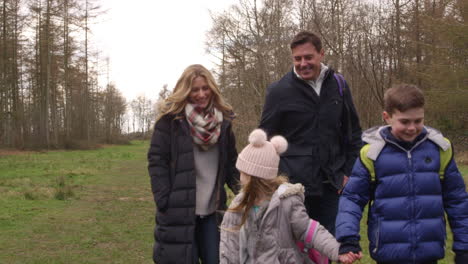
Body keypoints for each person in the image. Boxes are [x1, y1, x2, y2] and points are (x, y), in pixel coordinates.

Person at [335, 84, 468, 264]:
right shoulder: (372, 154)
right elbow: (352, 198)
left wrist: (464, 246)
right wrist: (348, 238)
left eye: (418, 121)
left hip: (429, 254)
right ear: (387, 117)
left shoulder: (440, 150)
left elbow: (457, 200)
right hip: (387, 254)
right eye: (404, 122)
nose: (412, 128)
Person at [259, 31, 362, 236]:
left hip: (333, 187)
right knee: (297, 250)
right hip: (295, 190)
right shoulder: (279, 91)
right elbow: (264, 140)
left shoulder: (339, 85)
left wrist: (349, 173)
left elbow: (353, 133)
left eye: (308, 57)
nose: (303, 63)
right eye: (298, 58)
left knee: (329, 248)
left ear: (321, 54)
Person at [219, 128, 362, 264]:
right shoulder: (237, 208)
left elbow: (311, 231)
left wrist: (337, 250)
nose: (240, 176)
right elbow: (229, 248)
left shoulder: (287, 202)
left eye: (243, 172)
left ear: (255, 177)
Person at [147, 64, 239, 264]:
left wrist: (246, 193)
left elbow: (232, 163)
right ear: (185, 91)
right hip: (178, 212)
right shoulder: (170, 121)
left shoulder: (223, 123)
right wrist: (164, 200)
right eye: (195, 89)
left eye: (205, 88)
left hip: (212, 213)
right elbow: (157, 161)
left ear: (212, 89)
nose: (201, 94)